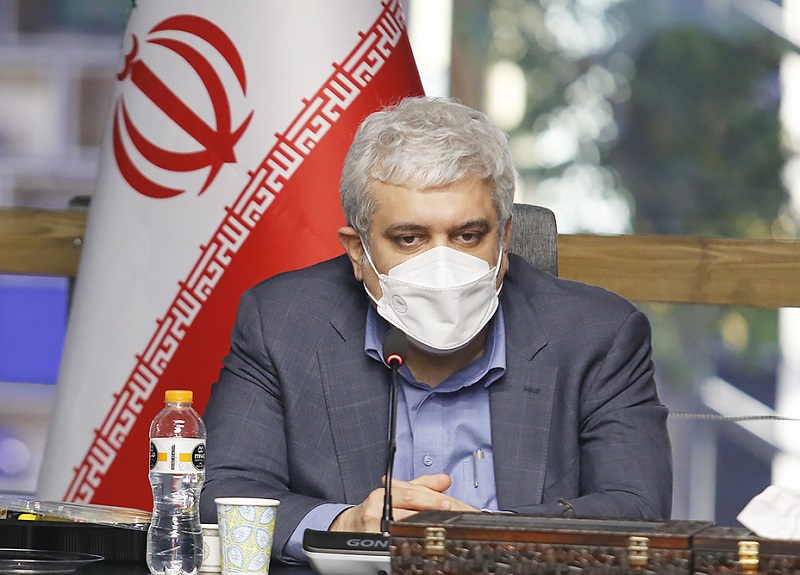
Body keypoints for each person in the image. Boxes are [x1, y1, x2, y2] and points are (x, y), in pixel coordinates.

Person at [199, 96, 673, 563]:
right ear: (358, 251)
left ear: (504, 239)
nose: (442, 266)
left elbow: (637, 508)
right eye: (410, 239)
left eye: (468, 236)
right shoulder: (283, 322)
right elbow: (223, 489)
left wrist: (492, 538)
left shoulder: (599, 334)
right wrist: (343, 526)